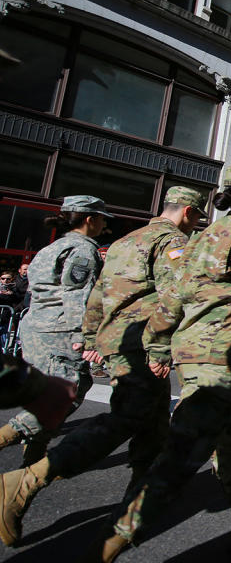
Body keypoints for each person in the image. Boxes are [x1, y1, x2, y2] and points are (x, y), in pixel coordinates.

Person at [88, 168, 231, 561]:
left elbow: (173, 295)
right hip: (221, 358)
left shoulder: (203, 236)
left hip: (196, 352)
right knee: (182, 454)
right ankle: (112, 541)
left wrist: (159, 345)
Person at [0, 187, 205, 547]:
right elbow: (176, 298)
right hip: (140, 342)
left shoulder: (127, 241)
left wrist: (93, 336)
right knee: (125, 418)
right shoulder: (172, 242)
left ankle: (136, 506)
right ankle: (26, 481)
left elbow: (97, 293)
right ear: (188, 212)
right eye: (198, 216)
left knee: (153, 426)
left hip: (119, 338)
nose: (198, 223)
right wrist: (160, 349)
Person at [0, 195, 108, 467]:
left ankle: (32, 463)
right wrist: (86, 339)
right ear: (89, 219)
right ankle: (9, 439)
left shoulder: (50, 248)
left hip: (36, 328)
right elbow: (77, 297)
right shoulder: (82, 250)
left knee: (44, 393)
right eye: (102, 218)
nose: (104, 224)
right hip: (61, 331)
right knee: (65, 394)